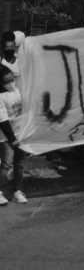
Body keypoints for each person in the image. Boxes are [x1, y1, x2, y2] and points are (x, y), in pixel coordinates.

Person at [0, 67, 26, 205]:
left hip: (18, 133)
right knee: (6, 164)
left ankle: (18, 191)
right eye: (7, 82)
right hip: (5, 137)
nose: (11, 84)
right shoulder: (0, 97)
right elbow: (3, 121)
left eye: (12, 80)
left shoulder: (16, 90)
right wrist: (12, 139)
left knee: (19, 163)